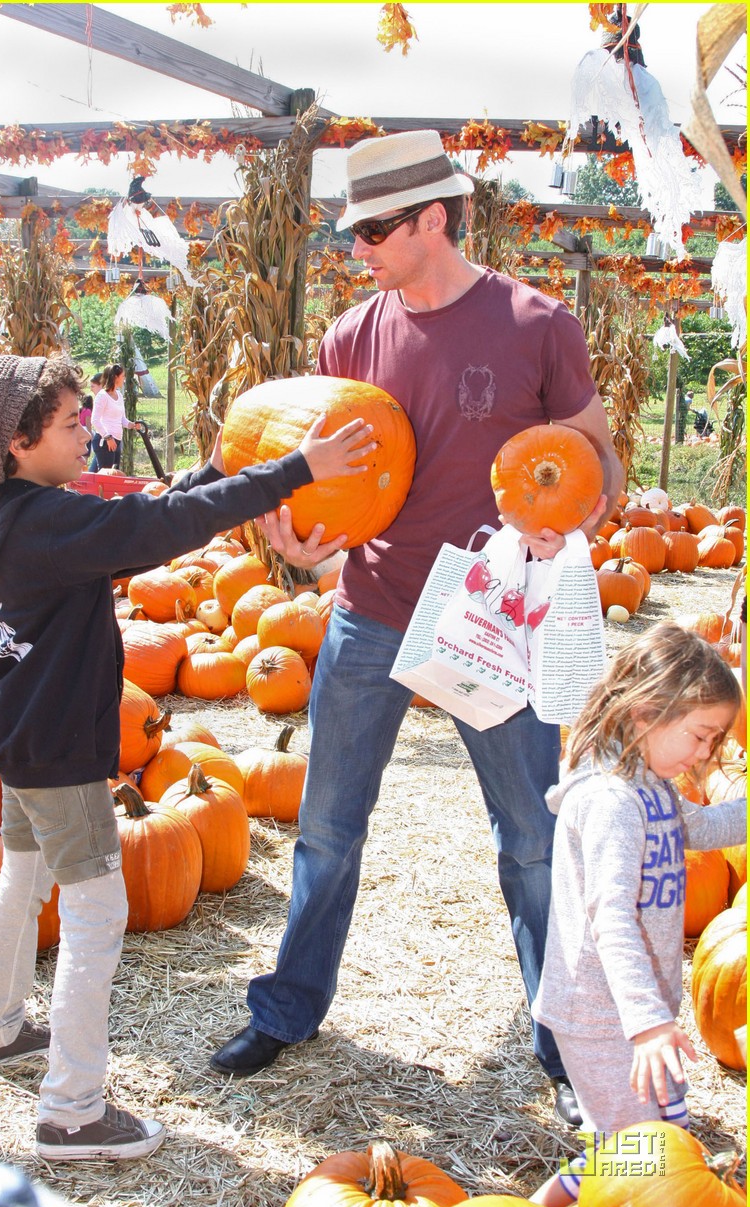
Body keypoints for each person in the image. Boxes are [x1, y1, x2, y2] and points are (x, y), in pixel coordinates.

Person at [210, 129, 624, 1128]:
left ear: (432, 219)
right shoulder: (350, 337)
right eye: (349, 232)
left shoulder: (538, 325)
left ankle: (564, 1046)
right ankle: (287, 1008)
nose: (355, 249)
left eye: (373, 231)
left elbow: (599, 466)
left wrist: (569, 520)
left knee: (532, 841)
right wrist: (300, 544)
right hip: (372, 611)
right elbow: (324, 482)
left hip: (490, 618)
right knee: (325, 831)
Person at [0, 353, 374, 1162]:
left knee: (21, 878)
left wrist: (216, 471)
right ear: (17, 444)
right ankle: (72, 1111)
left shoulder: (22, 515)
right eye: (70, 424)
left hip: (17, 733)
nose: (86, 433)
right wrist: (295, 469)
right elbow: (158, 530)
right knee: (97, 912)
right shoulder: (50, 521)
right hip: (59, 748)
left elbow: (137, 535)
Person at [529, 622, 744, 1207]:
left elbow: (700, 827)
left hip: (636, 1009)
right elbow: (612, 917)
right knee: (631, 1150)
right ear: (647, 711)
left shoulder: (649, 783)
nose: (705, 754)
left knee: (657, 1136)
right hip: (602, 1013)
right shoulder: (612, 801)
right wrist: (647, 1023)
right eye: (700, 736)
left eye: (715, 741)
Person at [90, 363, 138, 471]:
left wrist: (132, 425)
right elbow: (95, 420)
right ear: (116, 377)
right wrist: (107, 437)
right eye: (123, 376)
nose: (124, 379)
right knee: (107, 475)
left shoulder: (119, 395)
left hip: (117, 441)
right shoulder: (102, 396)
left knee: (112, 473)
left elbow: (122, 419)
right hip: (105, 441)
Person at [79, 394, 93, 459]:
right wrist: (91, 434)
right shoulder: (88, 411)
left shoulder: (80, 410)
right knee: (86, 454)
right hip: (85, 431)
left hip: (79, 430)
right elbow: (88, 424)